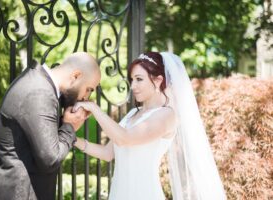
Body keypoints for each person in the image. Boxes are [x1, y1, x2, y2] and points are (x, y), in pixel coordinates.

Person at [74, 52, 226, 200]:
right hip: (119, 193)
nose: (133, 86)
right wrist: (72, 139)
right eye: (132, 79)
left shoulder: (167, 115)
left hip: (144, 193)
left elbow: (125, 139)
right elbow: (108, 153)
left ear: (158, 80)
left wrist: (94, 109)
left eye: (139, 79)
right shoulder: (132, 114)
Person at [0, 52, 101, 200]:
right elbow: (50, 159)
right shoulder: (39, 93)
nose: (85, 98)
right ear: (75, 76)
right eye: (88, 89)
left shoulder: (38, 83)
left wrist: (65, 123)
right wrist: (70, 127)